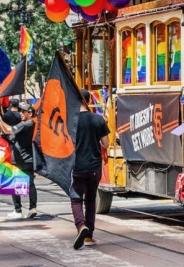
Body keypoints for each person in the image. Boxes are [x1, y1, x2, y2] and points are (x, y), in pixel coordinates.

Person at [72, 89, 110, 250]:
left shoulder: (71, 121)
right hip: (94, 167)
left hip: (76, 166)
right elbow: (106, 143)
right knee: (90, 200)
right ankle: (89, 236)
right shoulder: (98, 119)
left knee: (75, 199)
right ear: (88, 100)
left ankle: (81, 226)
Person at [0, 103, 37, 219]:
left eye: (24, 112)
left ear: (30, 113)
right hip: (28, 158)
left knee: (16, 183)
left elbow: (8, 130)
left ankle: (18, 210)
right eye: (21, 111)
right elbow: (8, 130)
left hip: (20, 159)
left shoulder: (27, 124)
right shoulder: (27, 124)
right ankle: (32, 208)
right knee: (29, 183)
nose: (21, 113)